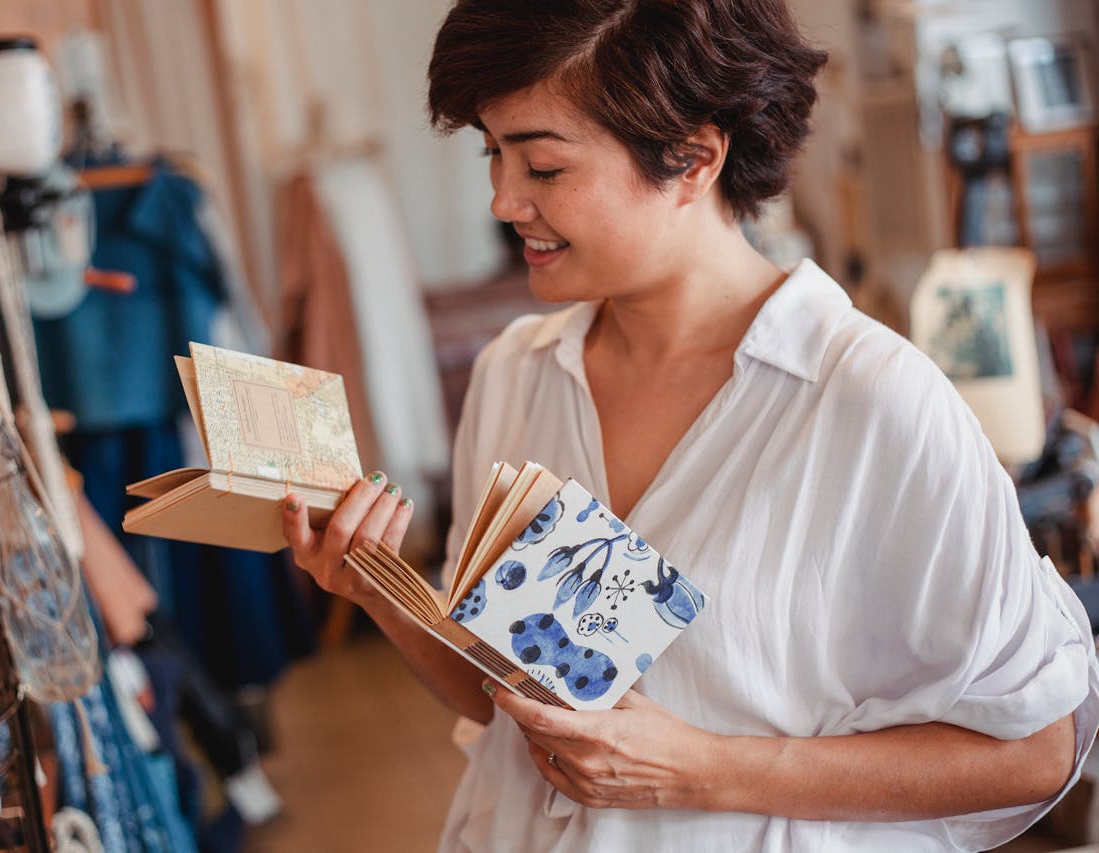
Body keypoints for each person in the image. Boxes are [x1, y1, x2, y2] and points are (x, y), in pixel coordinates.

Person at [280, 0, 1099, 849]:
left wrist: (700, 766)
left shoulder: (867, 401)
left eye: (543, 168)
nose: (502, 201)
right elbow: (497, 688)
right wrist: (379, 590)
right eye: (493, 154)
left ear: (695, 158)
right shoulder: (514, 375)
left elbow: (1037, 747)